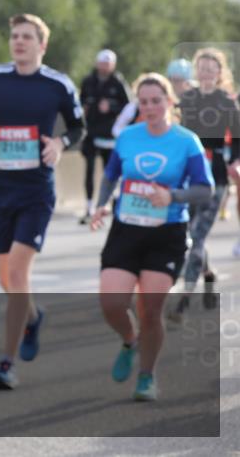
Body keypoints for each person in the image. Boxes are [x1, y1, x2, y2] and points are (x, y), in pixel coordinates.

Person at [0, 13, 85, 390]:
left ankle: (7, 363)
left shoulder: (57, 84)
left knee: (18, 273)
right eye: (14, 36)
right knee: (7, 279)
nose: (18, 42)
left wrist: (60, 144)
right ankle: (33, 317)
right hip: (2, 190)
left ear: (42, 45)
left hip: (37, 191)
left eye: (27, 37)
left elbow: (79, 127)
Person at [90, 72, 213, 401]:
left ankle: (146, 376)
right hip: (126, 230)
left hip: (166, 234)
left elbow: (205, 189)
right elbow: (111, 176)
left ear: (170, 102)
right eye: (143, 102)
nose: (149, 107)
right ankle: (130, 340)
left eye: (156, 101)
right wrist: (101, 205)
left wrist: (172, 197)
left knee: (151, 309)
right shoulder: (128, 137)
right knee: (112, 303)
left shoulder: (187, 141)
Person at [169, 48, 240, 319]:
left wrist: (235, 161)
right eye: (202, 68)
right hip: (189, 177)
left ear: (219, 73)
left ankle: (184, 300)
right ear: (196, 72)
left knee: (196, 236)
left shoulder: (226, 102)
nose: (207, 73)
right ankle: (208, 275)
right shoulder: (186, 100)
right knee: (190, 235)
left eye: (212, 69)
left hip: (216, 179)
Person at [78, 50, 130, 224]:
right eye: (102, 63)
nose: (105, 66)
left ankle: (110, 203)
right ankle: (89, 206)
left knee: (111, 171)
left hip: (110, 134)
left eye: (108, 63)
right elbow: (80, 103)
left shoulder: (118, 82)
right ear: (97, 63)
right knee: (90, 169)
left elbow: (127, 107)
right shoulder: (88, 81)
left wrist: (112, 106)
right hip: (91, 132)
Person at [112, 59, 193, 138]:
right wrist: (134, 140)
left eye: (181, 80)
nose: (177, 85)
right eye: (174, 80)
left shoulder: (192, 104)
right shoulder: (135, 106)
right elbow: (116, 130)